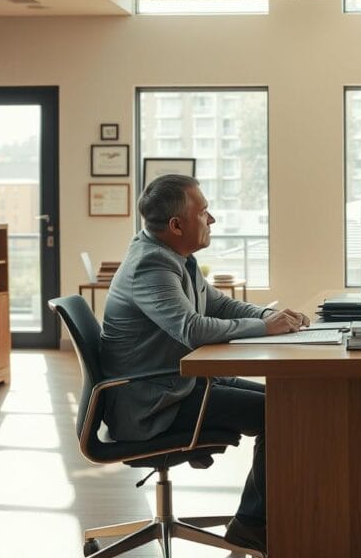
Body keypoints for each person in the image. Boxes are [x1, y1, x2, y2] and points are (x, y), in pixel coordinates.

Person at [100, 174, 309, 553]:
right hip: (153, 404)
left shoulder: (175, 257)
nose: (211, 219)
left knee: (285, 403)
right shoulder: (151, 266)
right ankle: (252, 526)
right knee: (279, 414)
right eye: (204, 211)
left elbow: (218, 305)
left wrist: (272, 316)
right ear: (177, 225)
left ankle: (262, 517)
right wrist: (265, 327)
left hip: (175, 386)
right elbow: (192, 328)